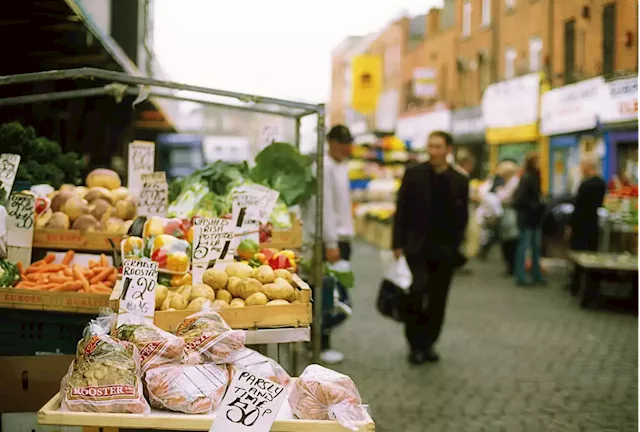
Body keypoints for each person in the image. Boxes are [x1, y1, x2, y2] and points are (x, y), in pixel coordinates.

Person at [392, 131, 469, 365]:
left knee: (437, 301)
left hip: (444, 251)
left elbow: (462, 217)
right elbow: (401, 210)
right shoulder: (414, 174)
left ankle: (429, 344)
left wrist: (456, 246)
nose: (433, 151)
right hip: (416, 248)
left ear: (448, 150)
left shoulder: (459, 180)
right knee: (415, 296)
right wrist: (397, 244)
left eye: (438, 147)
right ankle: (414, 345)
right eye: (430, 146)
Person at [303, 124, 355, 364]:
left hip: (339, 238)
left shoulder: (340, 167)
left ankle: (318, 341)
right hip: (327, 241)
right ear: (331, 142)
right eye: (342, 143)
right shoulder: (323, 168)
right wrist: (331, 242)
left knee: (331, 292)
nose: (346, 148)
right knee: (328, 294)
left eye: (348, 143)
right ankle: (320, 344)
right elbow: (323, 209)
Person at [512, 152, 546, 286]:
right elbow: (520, 198)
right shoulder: (528, 177)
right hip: (528, 217)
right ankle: (523, 276)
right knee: (527, 247)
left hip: (531, 217)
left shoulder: (532, 176)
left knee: (532, 247)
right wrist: (537, 205)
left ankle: (532, 274)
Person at [567, 153, 607, 252]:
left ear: (588, 166)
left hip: (580, 227)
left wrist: (570, 225)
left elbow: (578, 207)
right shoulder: (602, 184)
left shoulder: (585, 185)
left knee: (579, 255)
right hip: (593, 224)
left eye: (582, 166)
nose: (580, 169)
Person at [495, 160, 520, 276]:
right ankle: (511, 266)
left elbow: (503, 198)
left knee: (510, 241)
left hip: (510, 214)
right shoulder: (510, 182)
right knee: (508, 240)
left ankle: (512, 267)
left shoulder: (513, 183)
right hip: (507, 213)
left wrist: (499, 191)